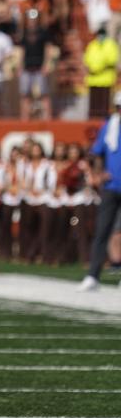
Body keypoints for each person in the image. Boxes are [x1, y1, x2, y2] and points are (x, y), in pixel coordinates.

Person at [79, 92, 121, 291]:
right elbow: (96, 153)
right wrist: (98, 174)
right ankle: (93, 275)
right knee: (102, 231)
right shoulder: (110, 127)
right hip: (112, 188)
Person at [83, 26, 119, 120]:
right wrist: (93, 68)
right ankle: (93, 119)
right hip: (93, 80)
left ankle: (104, 120)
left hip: (105, 79)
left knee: (104, 105)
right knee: (94, 105)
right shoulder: (92, 45)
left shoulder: (111, 45)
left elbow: (111, 60)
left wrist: (99, 68)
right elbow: (87, 60)